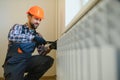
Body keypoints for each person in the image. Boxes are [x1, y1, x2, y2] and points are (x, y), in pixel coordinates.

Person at [3, 5, 56, 80]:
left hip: (27, 61)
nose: (38, 22)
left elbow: (41, 52)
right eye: (36, 19)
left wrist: (50, 47)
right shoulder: (18, 27)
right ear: (29, 16)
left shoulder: (37, 35)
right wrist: (33, 37)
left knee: (47, 61)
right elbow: (11, 37)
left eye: (40, 20)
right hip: (14, 64)